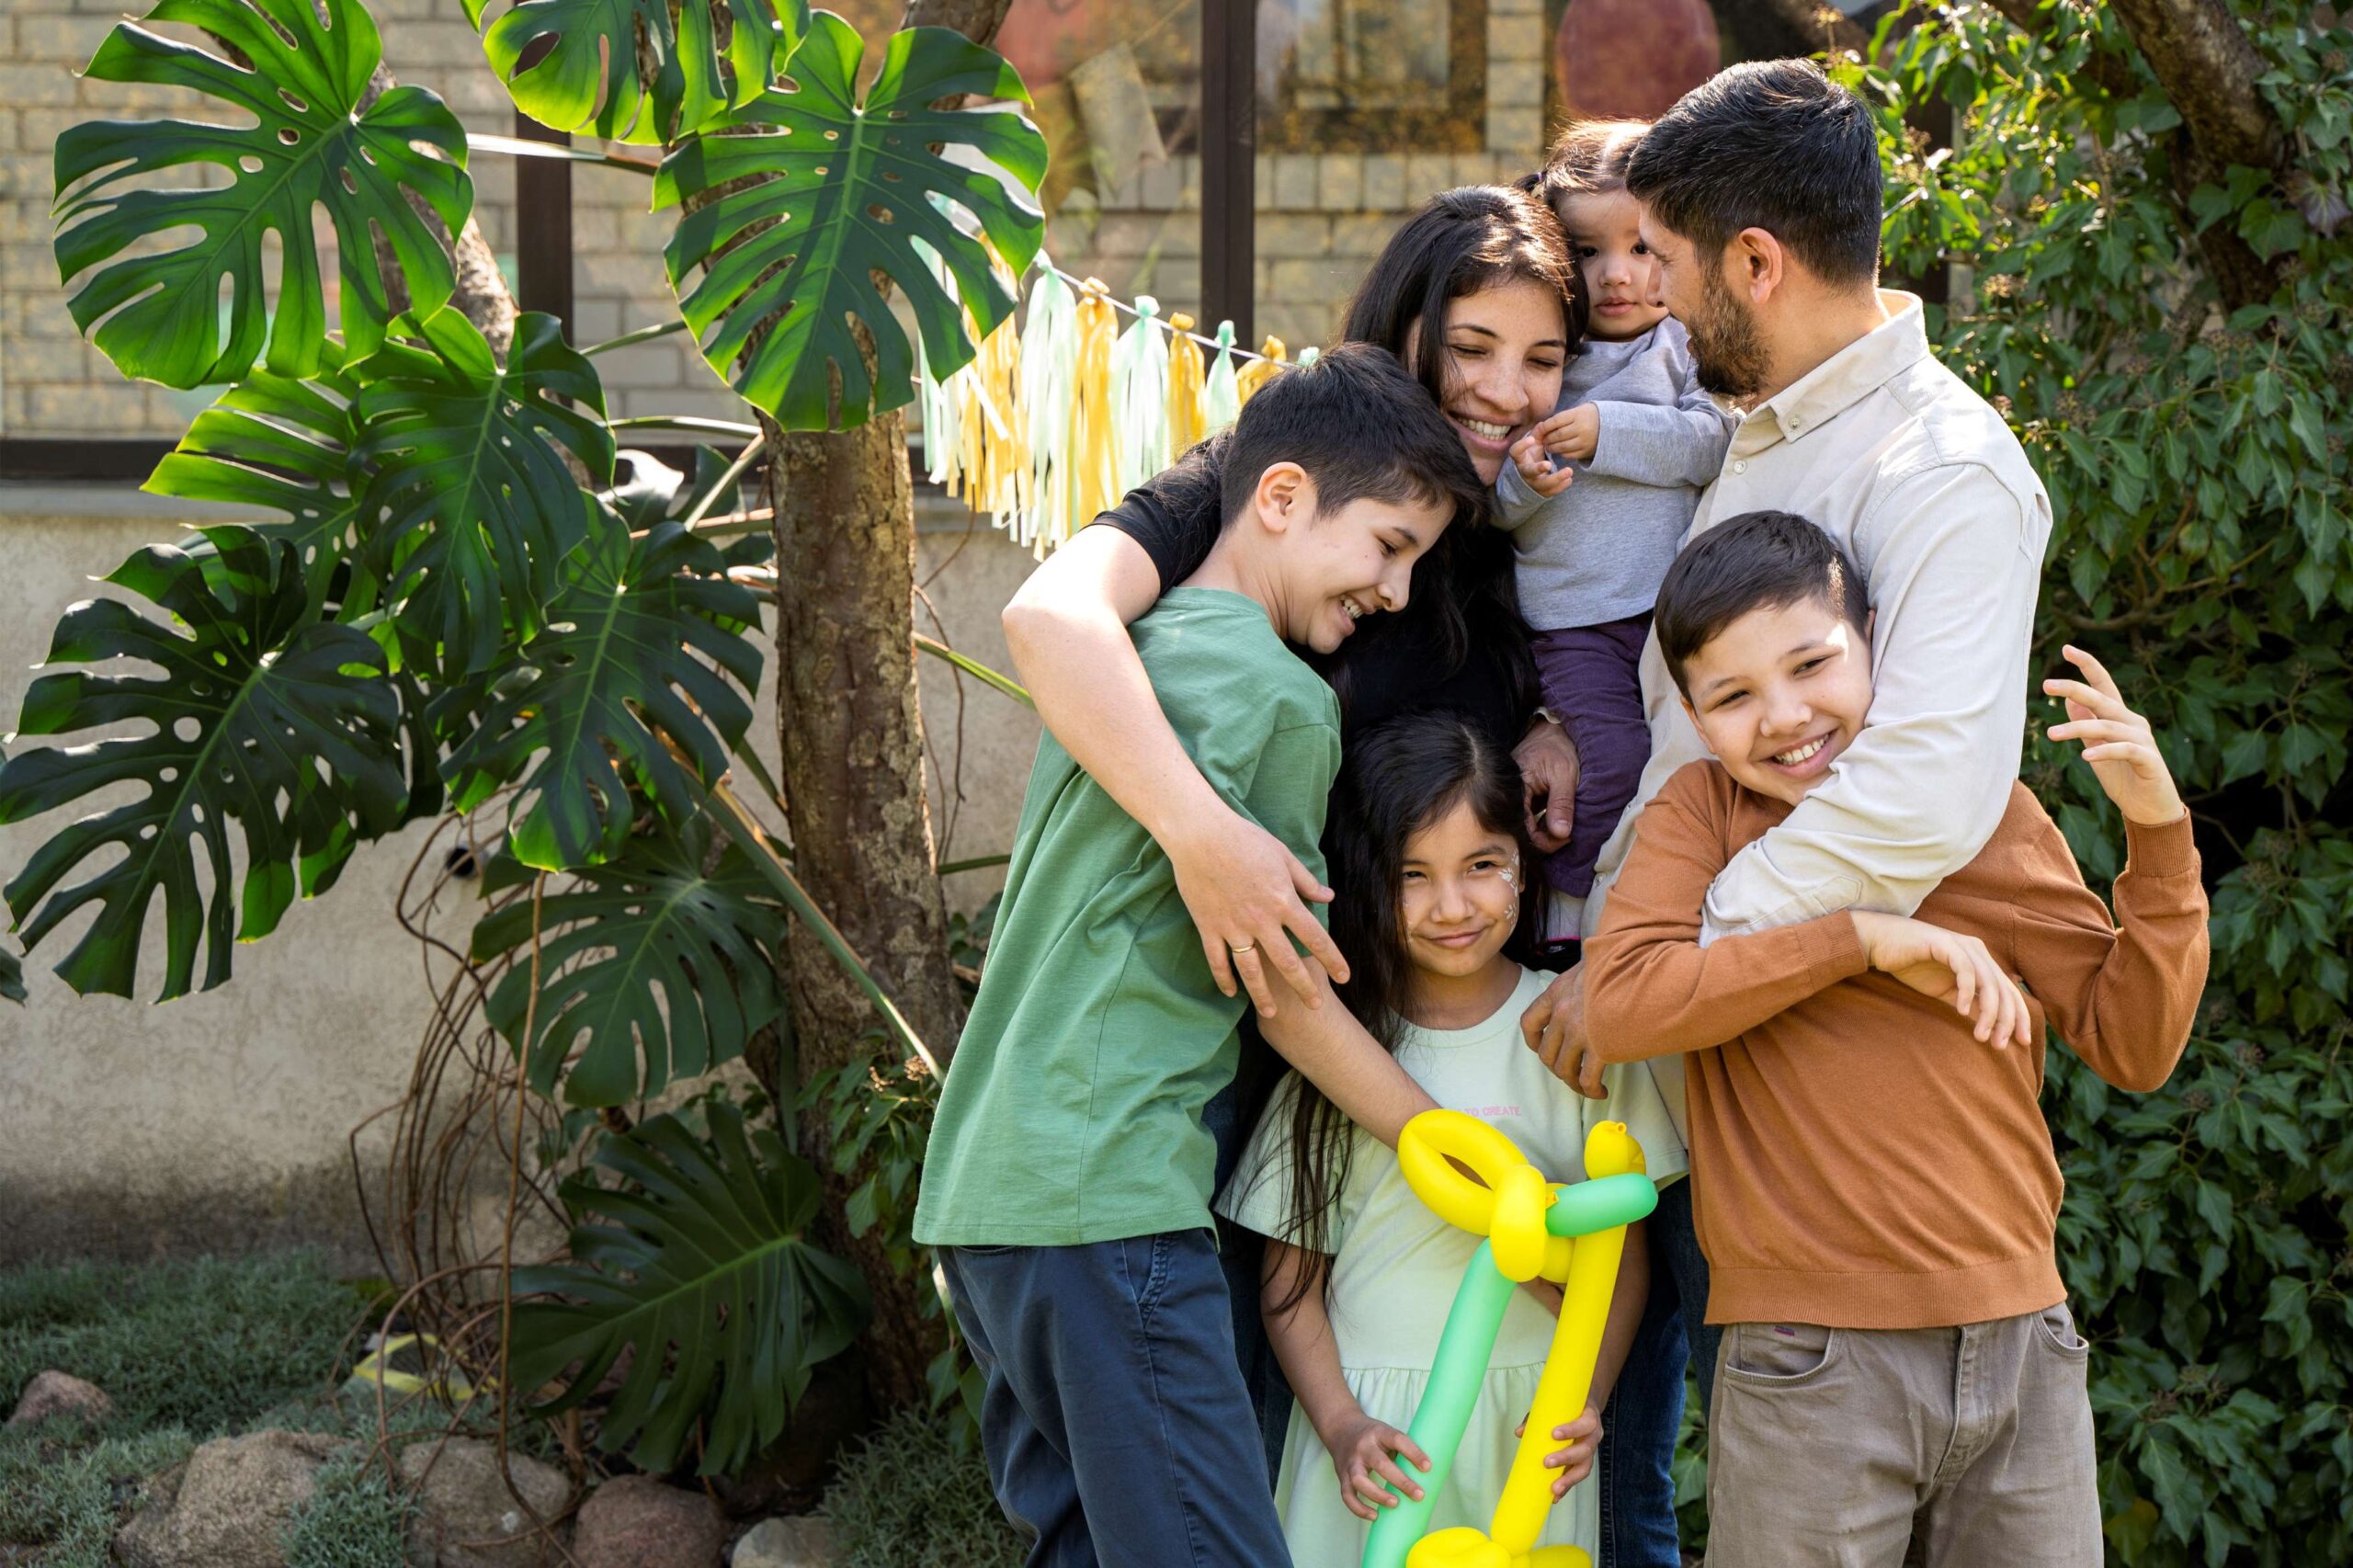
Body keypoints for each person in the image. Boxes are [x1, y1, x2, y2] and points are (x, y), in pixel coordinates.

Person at [1000, 184, 1587, 1479]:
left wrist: (1538, 718)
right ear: (1407, 335)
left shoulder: (1481, 532)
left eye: (1544, 357)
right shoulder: (1262, 486)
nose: (1507, 388)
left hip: (1442, 1044)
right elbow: (1053, 620)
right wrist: (1202, 834)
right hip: (1272, 1063)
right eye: (1475, 346)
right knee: (1246, 1466)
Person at [1516, 62, 2056, 1461]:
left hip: (1812, 1107)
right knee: (1615, 1457)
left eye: (1677, 267)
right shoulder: (1765, 437)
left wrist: (1656, 961)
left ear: (1754, 262)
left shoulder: (1942, 471)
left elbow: (1923, 793)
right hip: (1673, 1055)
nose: (1659, 304)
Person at [912, 346, 1490, 1567]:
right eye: (1388, 544)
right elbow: (1283, 992)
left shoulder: (1132, 653)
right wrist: (1438, 1136)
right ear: (1278, 497)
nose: (1394, 589)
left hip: (991, 1198)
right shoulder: (1285, 699)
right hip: (1110, 1186)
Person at [1583, 511, 2209, 1567]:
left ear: (1875, 640)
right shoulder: (1702, 813)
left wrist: (2159, 833)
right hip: (1808, 1358)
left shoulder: (1976, 810)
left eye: (1812, 665)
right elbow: (1625, 1004)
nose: (1783, 718)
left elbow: (2132, 1041)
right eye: (1731, 696)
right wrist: (1859, 940)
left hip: (2021, 1340)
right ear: (1690, 715)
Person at [1218, 712, 1685, 1566]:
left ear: (1523, 863)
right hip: (1380, 1443)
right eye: (1413, 875)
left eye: (1481, 866)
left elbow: (1627, 1258)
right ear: (1368, 881)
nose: (1452, 907)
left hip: (1528, 1438)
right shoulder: (1343, 1054)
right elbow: (1291, 1282)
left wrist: (1585, 1399)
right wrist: (1341, 1422)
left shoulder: (1572, 1032)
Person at [1501, 119, 1734, 905]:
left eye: (1640, 249)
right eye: (1587, 253)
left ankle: (1655, 916)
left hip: (1672, 614)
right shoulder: (1543, 355)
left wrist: (1611, 433)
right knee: (1608, 758)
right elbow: (1495, 512)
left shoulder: (1682, 347)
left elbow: (1714, 443)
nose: (1616, 275)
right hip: (1574, 623)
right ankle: (1571, 916)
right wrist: (1525, 482)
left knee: (1690, 764)